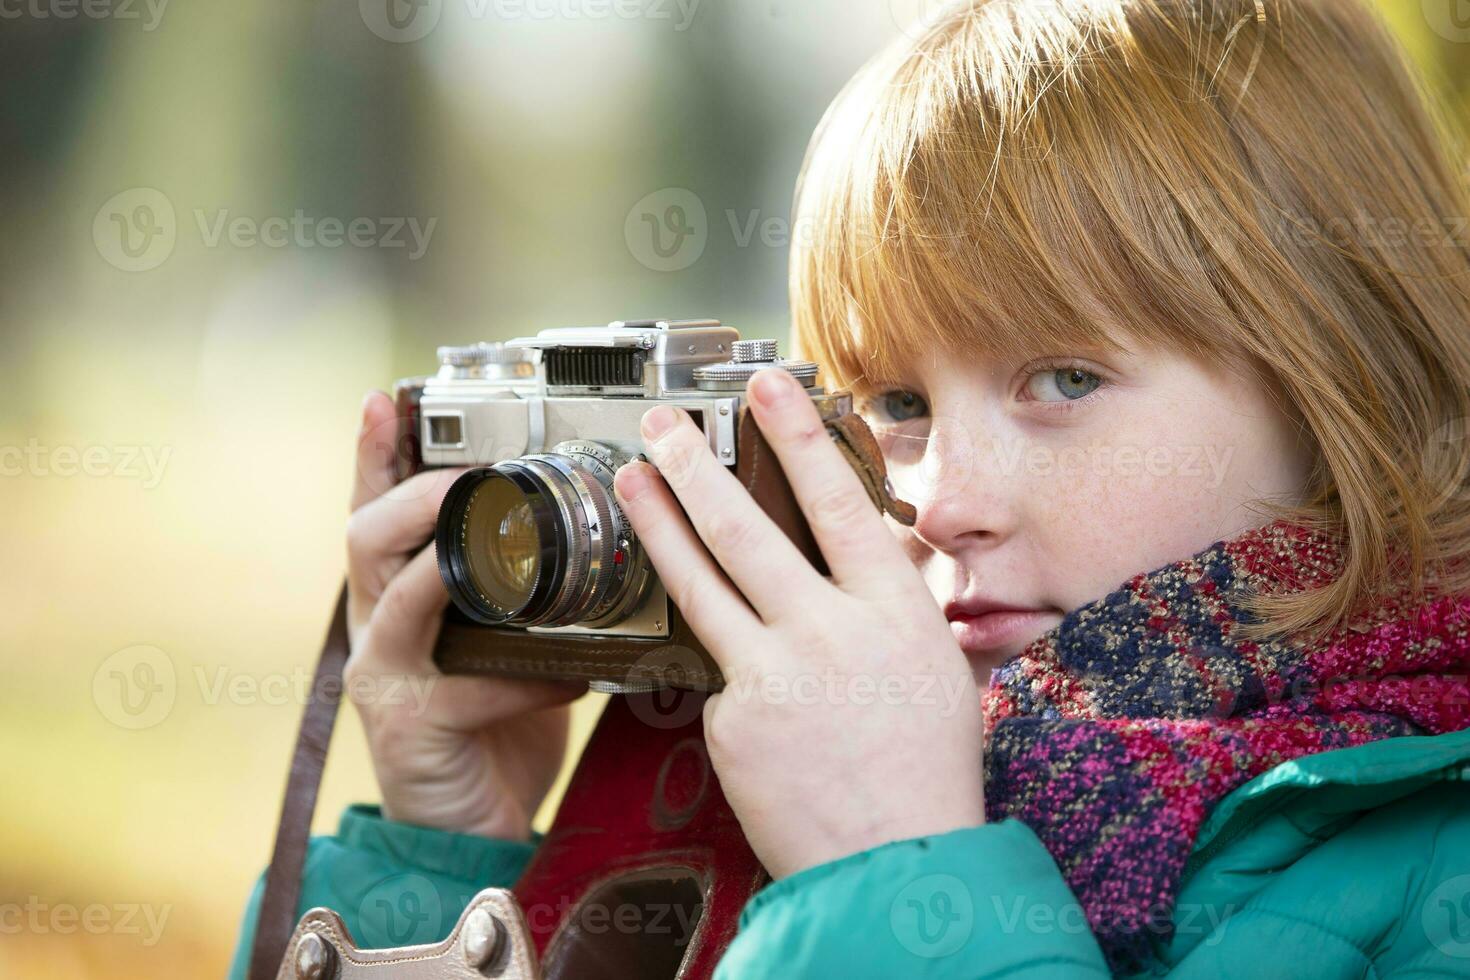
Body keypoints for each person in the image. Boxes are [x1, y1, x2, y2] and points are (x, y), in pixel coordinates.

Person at [230, 0, 1470, 975]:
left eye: (1067, 377)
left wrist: (895, 868)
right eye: (897, 403)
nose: (937, 501)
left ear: (1341, 385)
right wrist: (448, 860)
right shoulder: (762, 746)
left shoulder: (1426, 860)